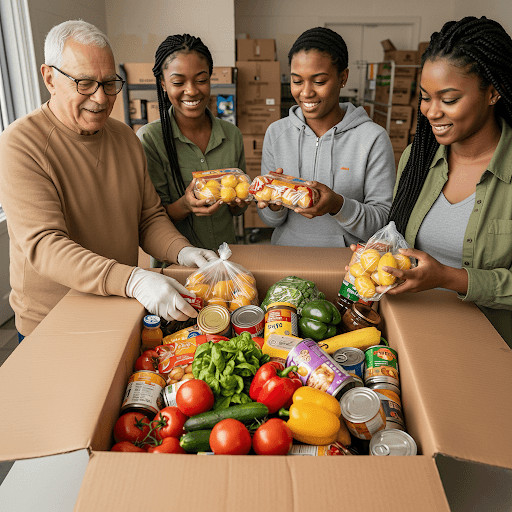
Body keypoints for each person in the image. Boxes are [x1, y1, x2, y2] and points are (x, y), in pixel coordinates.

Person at [0, 20, 218, 340]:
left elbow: (148, 217)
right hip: (53, 322)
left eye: (109, 83)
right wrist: (134, 280)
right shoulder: (20, 144)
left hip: (118, 306)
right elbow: (46, 246)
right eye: (85, 83)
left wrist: (184, 252)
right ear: (49, 78)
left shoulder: (125, 138)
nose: (101, 99)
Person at [382, 16, 512, 347]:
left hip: (490, 350)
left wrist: (449, 278)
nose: (431, 111)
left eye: (449, 99)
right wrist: (378, 255)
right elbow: (401, 240)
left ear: (493, 93)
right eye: (425, 96)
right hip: (411, 338)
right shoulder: (418, 158)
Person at [256, 27, 396, 247]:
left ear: (343, 77)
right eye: (297, 81)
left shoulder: (372, 138)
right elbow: (269, 220)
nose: (306, 92)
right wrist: (274, 204)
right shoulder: (277, 133)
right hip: (287, 258)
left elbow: (382, 221)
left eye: (319, 81)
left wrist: (338, 206)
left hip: (347, 267)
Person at [137, 34, 249, 266]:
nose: (192, 91)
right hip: (175, 267)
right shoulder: (151, 139)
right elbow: (149, 219)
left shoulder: (231, 135)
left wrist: (241, 202)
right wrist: (185, 206)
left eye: (201, 80)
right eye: (178, 82)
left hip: (225, 260)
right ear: (163, 83)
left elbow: (237, 211)